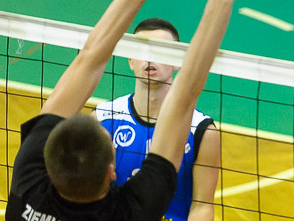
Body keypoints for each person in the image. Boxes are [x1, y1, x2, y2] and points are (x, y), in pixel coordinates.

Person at [6, 0, 283, 221]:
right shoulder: (131, 211)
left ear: (44, 159)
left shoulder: (29, 186)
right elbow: (181, 97)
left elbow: (91, 60)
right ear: (112, 172)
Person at [93, 17, 220, 221]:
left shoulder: (202, 132)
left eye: (160, 51)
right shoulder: (103, 119)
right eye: (141, 50)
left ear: (177, 61)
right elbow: (90, 196)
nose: (149, 58)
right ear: (131, 61)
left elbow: (202, 206)